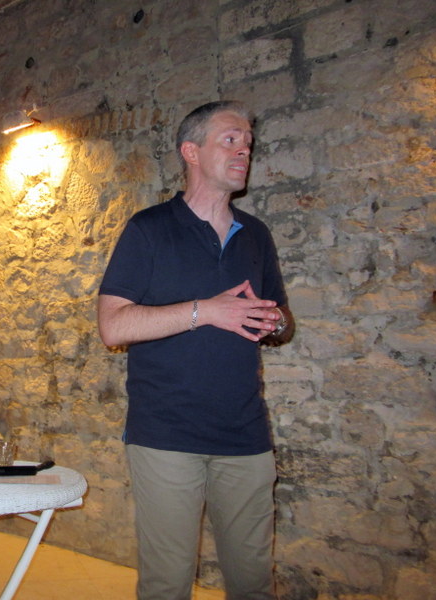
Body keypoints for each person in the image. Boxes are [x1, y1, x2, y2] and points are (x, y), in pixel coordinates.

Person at [97, 101, 294, 600]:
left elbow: (282, 321)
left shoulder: (257, 235)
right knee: (167, 584)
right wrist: (206, 311)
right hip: (166, 435)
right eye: (230, 140)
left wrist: (275, 322)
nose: (244, 150)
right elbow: (113, 327)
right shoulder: (149, 228)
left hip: (246, 433)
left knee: (253, 582)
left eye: (248, 142)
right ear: (191, 152)